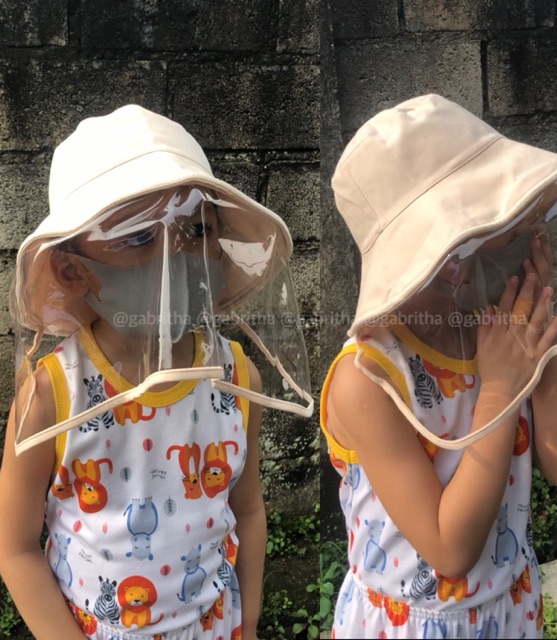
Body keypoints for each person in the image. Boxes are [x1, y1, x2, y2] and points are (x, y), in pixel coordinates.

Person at [321, 94, 557, 638]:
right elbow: (450, 548)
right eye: (510, 226)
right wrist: (499, 390)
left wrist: (536, 333)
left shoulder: (493, 330)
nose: (533, 237)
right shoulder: (367, 379)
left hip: (511, 610)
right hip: (412, 624)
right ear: (450, 253)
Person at [0, 105, 312, 640]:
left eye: (197, 229)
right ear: (73, 269)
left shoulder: (235, 379)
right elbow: (16, 549)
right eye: (139, 236)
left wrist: (249, 621)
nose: (176, 254)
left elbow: (248, 510)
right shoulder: (53, 396)